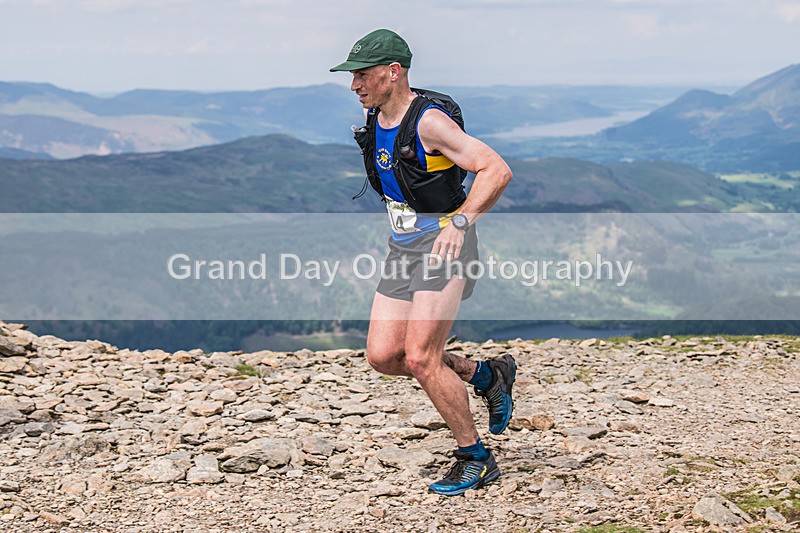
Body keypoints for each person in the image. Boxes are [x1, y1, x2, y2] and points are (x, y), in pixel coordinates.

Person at [330, 28, 515, 496]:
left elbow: (496, 169)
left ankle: (475, 458)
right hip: (403, 249)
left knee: (421, 357)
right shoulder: (376, 118)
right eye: (353, 76)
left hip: (444, 248)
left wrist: (461, 223)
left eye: (363, 75)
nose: (355, 85)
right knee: (385, 355)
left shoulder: (429, 122)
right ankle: (487, 375)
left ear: (394, 72)